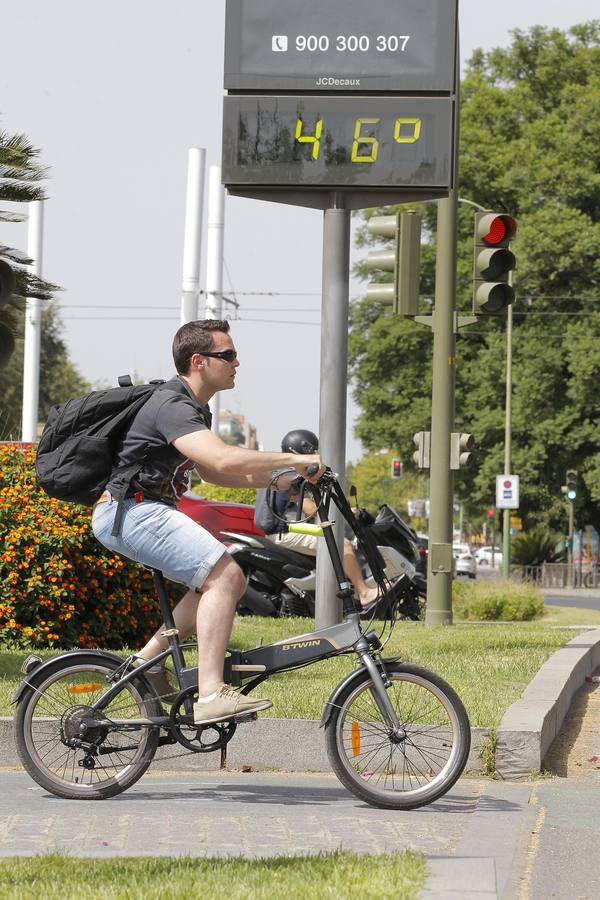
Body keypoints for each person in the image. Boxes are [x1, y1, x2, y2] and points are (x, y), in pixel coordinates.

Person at [91, 319, 324, 725]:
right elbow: (221, 459)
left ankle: (147, 664)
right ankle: (211, 693)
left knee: (212, 583)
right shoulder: (173, 406)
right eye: (228, 355)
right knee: (227, 576)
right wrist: (290, 458)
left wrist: (282, 480)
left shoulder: (196, 409)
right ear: (198, 361)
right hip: (130, 511)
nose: (238, 362)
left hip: (141, 510)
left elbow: (214, 474)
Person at [264, 430, 379, 608]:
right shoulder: (291, 475)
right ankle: (364, 593)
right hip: (284, 532)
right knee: (344, 545)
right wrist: (343, 511)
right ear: (302, 450)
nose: (314, 454)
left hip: (281, 530)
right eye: (311, 450)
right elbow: (310, 507)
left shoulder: (283, 471)